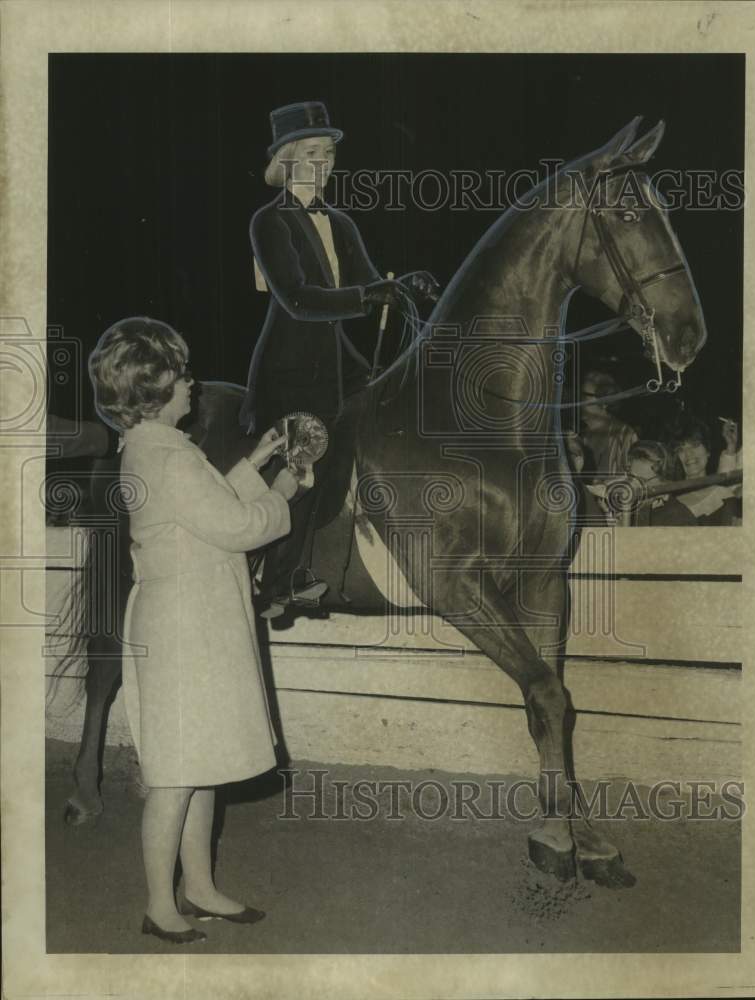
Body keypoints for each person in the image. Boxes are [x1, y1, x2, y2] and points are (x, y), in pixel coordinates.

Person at [89, 317, 301, 944]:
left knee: (200, 763)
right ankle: (161, 905)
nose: (192, 383)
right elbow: (238, 529)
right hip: (185, 627)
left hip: (194, 619)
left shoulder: (160, 449)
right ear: (154, 390)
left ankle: (201, 887)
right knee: (176, 777)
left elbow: (207, 512)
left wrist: (256, 463)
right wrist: (284, 489)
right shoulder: (166, 457)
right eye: (181, 375)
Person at [240, 101, 439, 615]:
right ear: (286, 160)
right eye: (311, 153)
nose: (323, 163)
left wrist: (403, 288)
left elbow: (370, 284)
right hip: (292, 369)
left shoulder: (341, 222)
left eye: (328, 153)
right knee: (304, 465)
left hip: (340, 363)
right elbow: (299, 299)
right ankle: (276, 583)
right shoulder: (269, 222)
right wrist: (369, 296)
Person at [671, 415, 741, 525]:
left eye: (695, 445)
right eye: (680, 449)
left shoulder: (723, 494)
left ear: (708, 451)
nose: (688, 454)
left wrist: (731, 446)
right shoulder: (670, 501)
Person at [613, 440, 698, 526]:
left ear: (664, 483)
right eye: (630, 477)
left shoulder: (679, 518)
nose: (631, 486)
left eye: (641, 481)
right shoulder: (630, 507)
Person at [579, 369, 639, 477]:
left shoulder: (624, 434)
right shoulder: (579, 431)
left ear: (604, 401)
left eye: (584, 395)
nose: (578, 399)